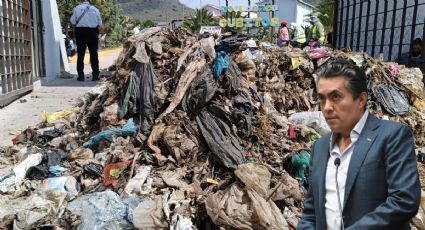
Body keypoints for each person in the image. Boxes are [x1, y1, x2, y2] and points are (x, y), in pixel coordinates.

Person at [297, 59, 420, 229]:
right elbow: (311, 211)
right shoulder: (320, 147)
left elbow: (404, 200)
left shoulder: (391, 136)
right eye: (322, 99)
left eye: (335, 97)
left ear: (361, 100)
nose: (326, 107)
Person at [70, 0, 103, 81]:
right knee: (94, 54)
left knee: (80, 55)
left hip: (81, 33)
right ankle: (95, 75)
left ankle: (81, 76)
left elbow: (72, 21)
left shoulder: (77, 8)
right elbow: (100, 23)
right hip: (93, 33)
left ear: (82, 0)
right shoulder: (95, 9)